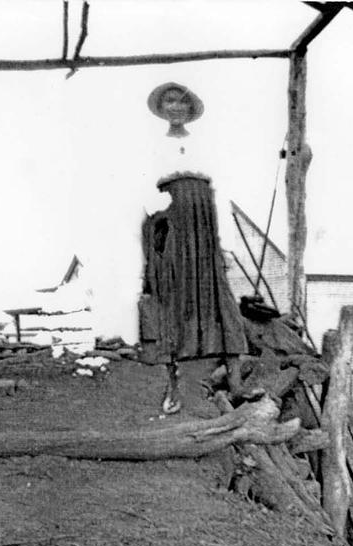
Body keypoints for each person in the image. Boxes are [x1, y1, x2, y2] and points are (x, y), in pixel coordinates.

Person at [139, 82, 248, 414]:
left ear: (189, 109)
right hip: (171, 213)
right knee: (171, 293)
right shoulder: (154, 144)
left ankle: (236, 382)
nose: (175, 107)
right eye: (169, 102)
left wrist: (223, 241)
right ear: (163, 109)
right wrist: (159, 210)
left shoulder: (203, 143)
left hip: (202, 214)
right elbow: (144, 182)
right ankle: (173, 384)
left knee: (215, 290)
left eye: (180, 102)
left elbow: (216, 184)